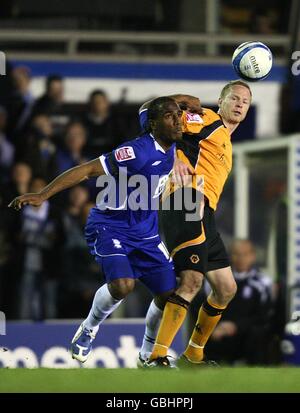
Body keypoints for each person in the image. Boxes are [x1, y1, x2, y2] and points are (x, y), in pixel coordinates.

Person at [8, 96, 183, 363]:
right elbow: (89, 170)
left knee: (169, 293)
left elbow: (154, 109)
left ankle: (148, 353)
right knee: (124, 285)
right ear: (154, 125)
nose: (179, 120)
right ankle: (88, 328)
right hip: (111, 226)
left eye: (178, 114)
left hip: (145, 232)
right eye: (171, 116)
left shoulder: (171, 144)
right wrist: (44, 194)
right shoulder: (137, 151)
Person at [138, 81, 252, 367]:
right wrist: (173, 156)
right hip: (185, 200)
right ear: (221, 101)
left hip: (204, 210)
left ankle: (193, 355)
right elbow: (148, 115)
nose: (239, 104)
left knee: (226, 288)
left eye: (245, 101)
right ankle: (156, 356)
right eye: (234, 98)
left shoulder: (224, 138)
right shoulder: (207, 119)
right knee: (191, 280)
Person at [190, 239, 274, 365]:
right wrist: (213, 327)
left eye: (245, 254)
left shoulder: (263, 283)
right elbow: (200, 307)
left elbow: (264, 316)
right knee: (203, 330)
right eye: (236, 254)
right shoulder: (215, 281)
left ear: (253, 256)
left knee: (258, 334)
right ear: (230, 256)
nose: (241, 258)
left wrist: (236, 327)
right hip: (218, 331)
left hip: (246, 334)